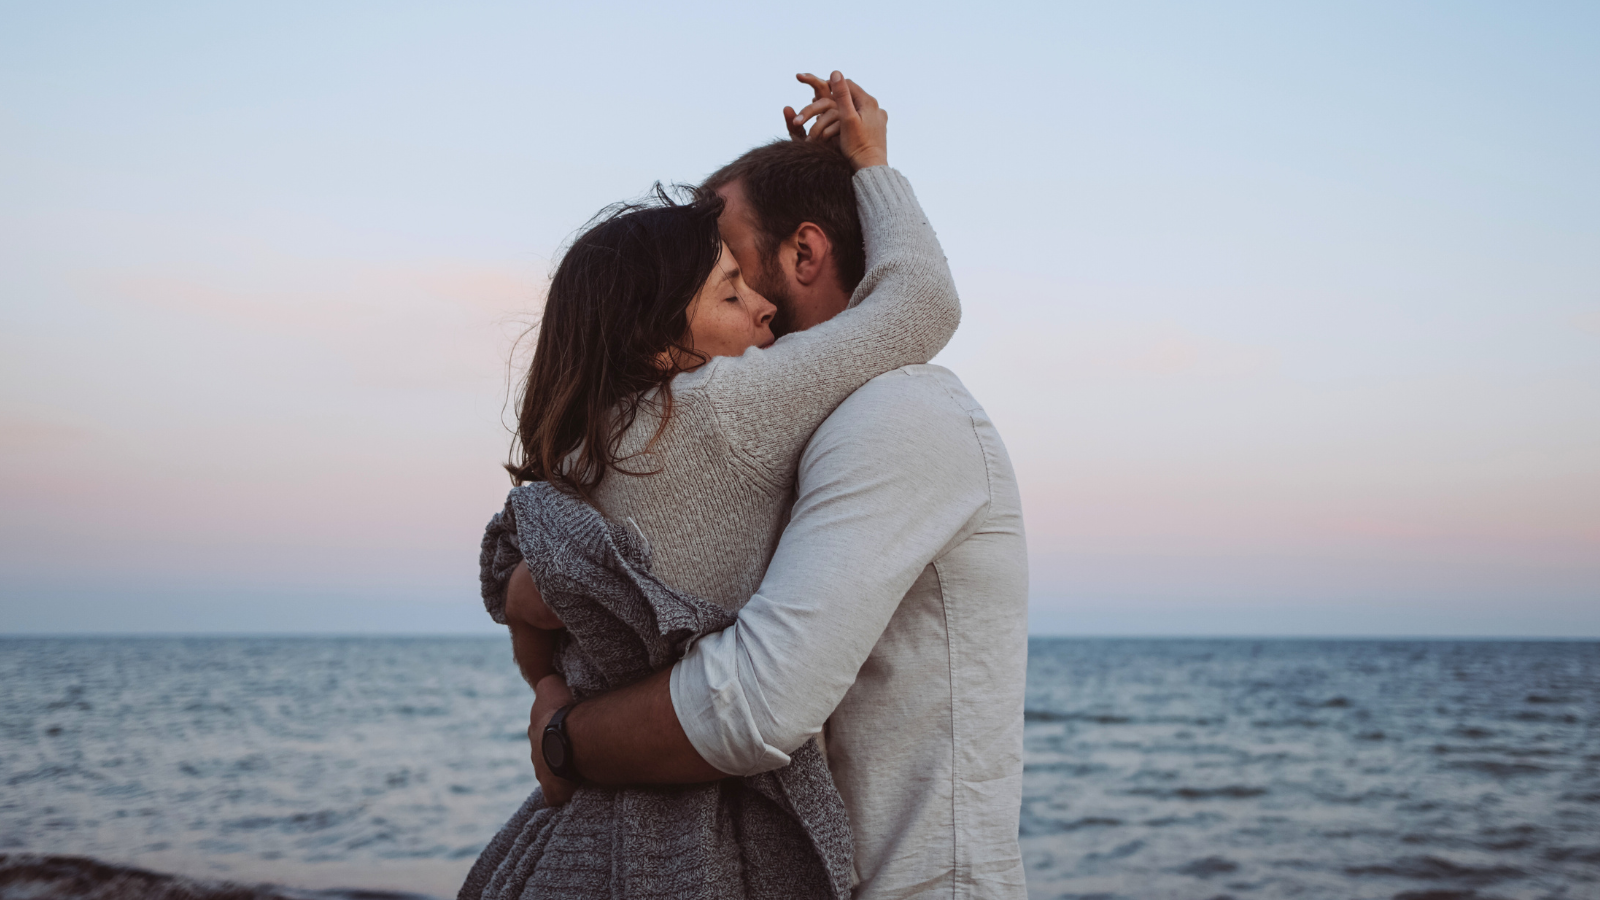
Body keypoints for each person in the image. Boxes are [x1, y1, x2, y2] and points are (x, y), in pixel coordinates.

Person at [507, 73, 1030, 899]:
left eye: (731, 260)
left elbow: (756, 699)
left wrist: (561, 732)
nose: (743, 297)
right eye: (721, 285)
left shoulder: (902, 410)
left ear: (806, 253)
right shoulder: (744, 421)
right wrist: (871, 163)